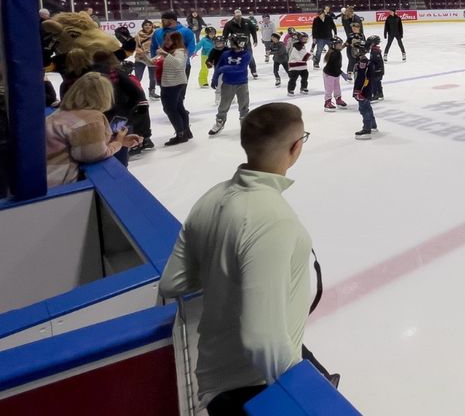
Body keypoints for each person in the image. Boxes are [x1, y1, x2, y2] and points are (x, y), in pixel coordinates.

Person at [159, 103, 330, 414]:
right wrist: (302, 397)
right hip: (253, 390)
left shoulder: (211, 198)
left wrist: (225, 268)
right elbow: (263, 341)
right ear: (295, 147)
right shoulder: (273, 220)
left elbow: (173, 282)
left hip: (216, 373)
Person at [45, 72, 142, 187]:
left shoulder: (62, 112)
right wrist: (118, 142)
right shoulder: (91, 118)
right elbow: (94, 155)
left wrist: (116, 139)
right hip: (58, 185)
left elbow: (81, 143)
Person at [209, 35, 253, 136]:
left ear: (239, 43)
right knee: (223, 105)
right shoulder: (225, 54)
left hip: (242, 83)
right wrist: (214, 78)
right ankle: (220, 121)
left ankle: (245, 123)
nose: (230, 43)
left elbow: (240, 68)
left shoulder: (246, 54)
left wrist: (224, 69)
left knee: (244, 104)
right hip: (227, 83)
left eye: (232, 41)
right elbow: (218, 67)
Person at [150, 11, 197, 95]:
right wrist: (154, 61)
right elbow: (153, 47)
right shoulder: (157, 32)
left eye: (164, 20)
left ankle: (178, 107)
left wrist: (183, 60)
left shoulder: (186, 32)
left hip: (182, 66)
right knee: (165, 94)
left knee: (180, 94)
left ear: (172, 20)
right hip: (163, 66)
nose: (162, 22)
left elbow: (191, 47)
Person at [223, 9, 258, 80]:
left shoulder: (247, 22)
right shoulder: (229, 24)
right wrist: (224, 42)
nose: (239, 17)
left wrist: (255, 40)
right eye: (237, 16)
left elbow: (253, 30)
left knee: (250, 57)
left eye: (240, 16)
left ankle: (253, 71)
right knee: (235, 58)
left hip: (246, 43)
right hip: (235, 44)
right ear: (234, 15)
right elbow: (225, 34)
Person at [353, 50, 377, 140]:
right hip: (365, 91)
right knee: (368, 108)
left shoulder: (363, 64)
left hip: (363, 92)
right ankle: (373, 125)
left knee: (364, 109)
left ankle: (367, 129)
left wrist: (359, 91)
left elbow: (362, 79)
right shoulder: (366, 63)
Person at [322, 38, 350, 112]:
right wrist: (342, 74)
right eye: (339, 44)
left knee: (337, 87)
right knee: (329, 89)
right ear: (333, 45)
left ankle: (338, 99)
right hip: (329, 74)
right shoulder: (333, 54)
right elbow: (335, 67)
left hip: (335, 73)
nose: (340, 46)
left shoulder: (336, 51)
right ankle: (327, 103)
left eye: (341, 44)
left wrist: (345, 45)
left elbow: (340, 49)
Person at [133, 19, 158, 100]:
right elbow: (134, 46)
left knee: (153, 77)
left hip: (152, 58)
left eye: (149, 25)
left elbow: (159, 45)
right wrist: (138, 49)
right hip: (140, 58)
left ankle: (152, 92)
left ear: (152, 26)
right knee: (138, 77)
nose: (147, 26)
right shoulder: (137, 35)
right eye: (145, 25)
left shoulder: (156, 34)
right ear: (143, 26)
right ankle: (136, 93)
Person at [366, 36, 385, 101]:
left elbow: (376, 61)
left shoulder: (375, 51)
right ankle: (380, 93)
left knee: (374, 82)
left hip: (377, 70)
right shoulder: (375, 50)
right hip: (378, 70)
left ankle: (375, 94)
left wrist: (370, 64)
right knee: (378, 82)